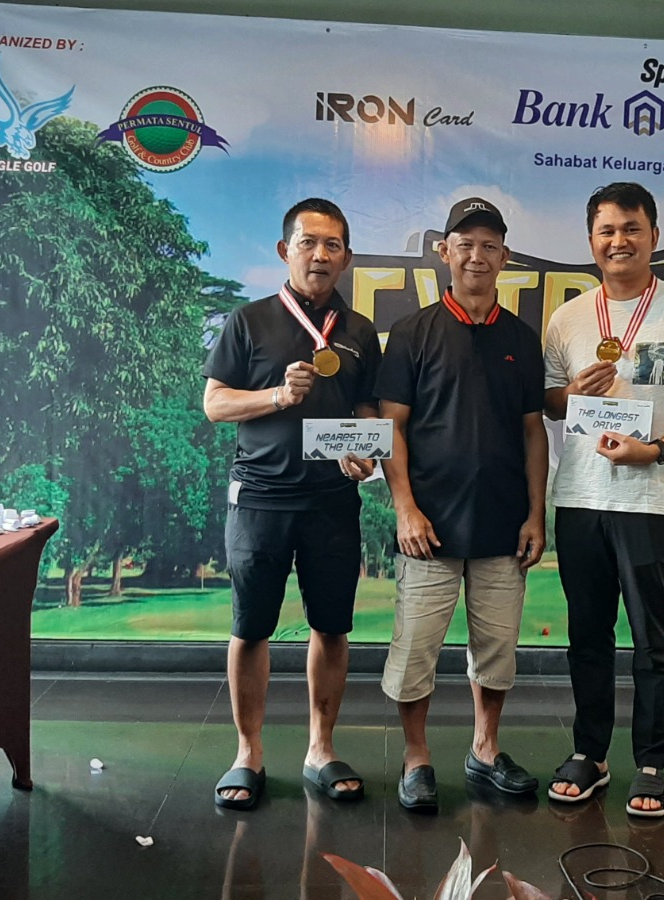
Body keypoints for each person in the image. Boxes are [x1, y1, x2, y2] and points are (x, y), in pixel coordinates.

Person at [542, 182, 664, 818]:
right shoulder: (569, 317)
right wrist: (573, 392)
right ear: (591, 241)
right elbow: (550, 402)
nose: (619, 241)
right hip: (580, 496)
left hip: (652, 498)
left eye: (631, 228)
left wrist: (655, 448)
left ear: (654, 236)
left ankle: (652, 764)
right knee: (587, 635)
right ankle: (589, 754)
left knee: (654, 640)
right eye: (606, 230)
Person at [202, 198, 382, 810]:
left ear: (347, 257)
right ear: (286, 250)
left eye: (333, 245)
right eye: (309, 242)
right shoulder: (249, 321)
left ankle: (320, 749)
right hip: (260, 499)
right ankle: (247, 753)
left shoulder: (359, 331)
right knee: (250, 628)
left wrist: (363, 452)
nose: (320, 255)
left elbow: (366, 411)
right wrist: (277, 396)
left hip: (332, 501)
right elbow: (215, 404)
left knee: (331, 627)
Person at [375, 197, 548, 813]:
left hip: (504, 524)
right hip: (430, 526)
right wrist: (405, 508)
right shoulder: (413, 333)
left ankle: (484, 748)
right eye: (465, 244)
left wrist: (536, 513)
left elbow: (534, 431)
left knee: (496, 652)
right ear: (445, 251)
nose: (478, 256)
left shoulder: (521, 339)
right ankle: (416, 757)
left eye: (489, 245)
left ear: (505, 257)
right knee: (415, 651)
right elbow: (391, 427)